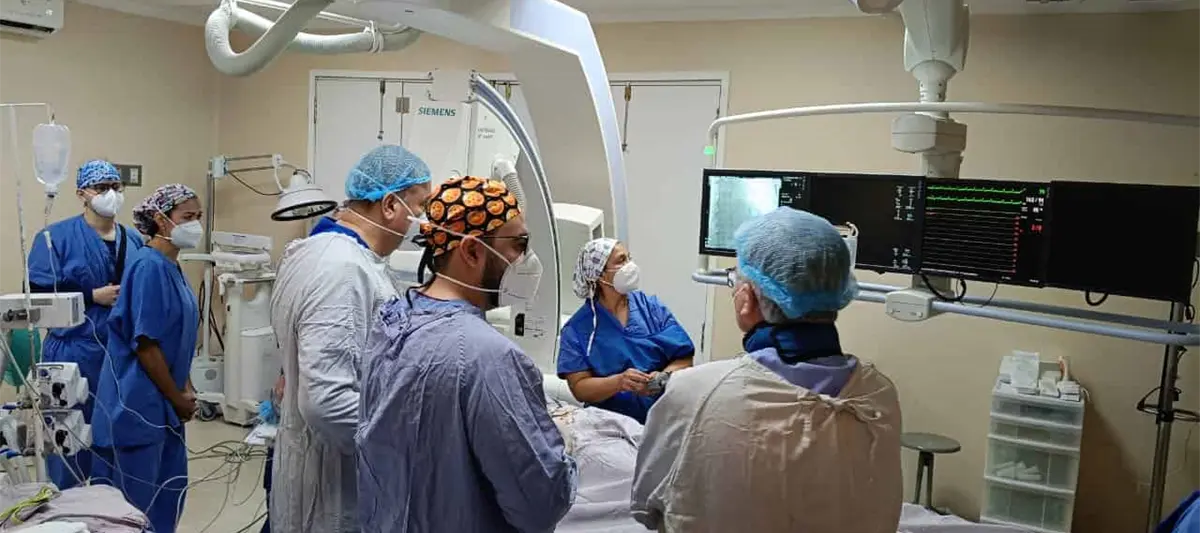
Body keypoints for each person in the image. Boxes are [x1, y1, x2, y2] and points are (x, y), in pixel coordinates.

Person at [630, 207, 903, 533]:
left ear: (746, 299)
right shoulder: (878, 396)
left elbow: (646, 506)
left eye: (734, 279)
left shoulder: (695, 394)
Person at [357, 176, 577, 533]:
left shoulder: (391, 322)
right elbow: (539, 505)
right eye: (518, 245)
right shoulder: (489, 358)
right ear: (472, 251)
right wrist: (558, 448)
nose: (527, 260)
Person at [270, 144, 433, 533]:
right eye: (421, 207)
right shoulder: (341, 269)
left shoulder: (331, 254)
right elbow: (326, 404)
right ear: (390, 205)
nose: (424, 223)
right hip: (336, 478)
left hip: (331, 463)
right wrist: (406, 443)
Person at [90, 184, 204, 533]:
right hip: (137, 407)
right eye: (188, 217)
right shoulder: (148, 267)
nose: (196, 225)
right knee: (133, 512)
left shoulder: (172, 267)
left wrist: (186, 387)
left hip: (163, 405)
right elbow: (146, 344)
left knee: (166, 500)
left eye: (199, 217)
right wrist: (176, 397)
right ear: (161, 219)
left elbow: (176, 338)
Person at [26, 160, 143, 489]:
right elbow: (37, 294)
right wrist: (91, 296)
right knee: (67, 435)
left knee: (113, 432)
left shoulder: (133, 240)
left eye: (116, 187)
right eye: (101, 188)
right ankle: (65, 501)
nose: (111, 194)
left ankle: (108, 502)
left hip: (118, 351)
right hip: (71, 350)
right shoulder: (54, 238)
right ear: (82, 194)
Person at [557, 238, 694, 423]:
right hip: (609, 425)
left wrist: (661, 379)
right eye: (621, 260)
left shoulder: (651, 309)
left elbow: (684, 358)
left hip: (662, 419)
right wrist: (619, 383)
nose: (630, 265)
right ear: (599, 275)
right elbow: (579, 388)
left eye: (629, 258)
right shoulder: (576, 330)